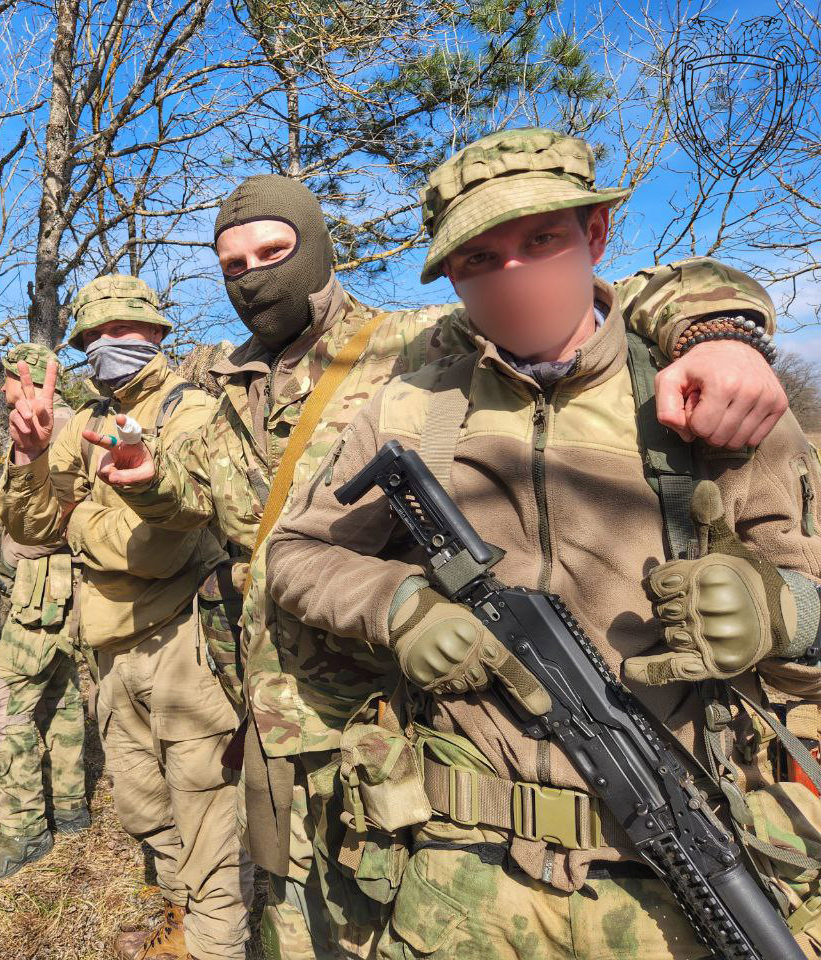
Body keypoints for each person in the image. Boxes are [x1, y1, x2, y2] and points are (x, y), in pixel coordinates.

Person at [90, 168, 790, 957]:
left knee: (362, 902)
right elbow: (222, 514)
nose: (253, 279)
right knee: (283, 897)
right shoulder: (217, 381)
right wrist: (149, 486)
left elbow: (595, 295)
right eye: (232, 268)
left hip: (379, 702)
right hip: (264, 689)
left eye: (273, 251)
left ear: (316, 250)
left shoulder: (413, 343)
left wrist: (720, 332)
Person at [264, 127, 821, 959]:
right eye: (479, 260)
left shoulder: (712, 397)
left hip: (683, 866)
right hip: (462, 877)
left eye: (542, 240)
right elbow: (296, 555)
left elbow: (810, 605)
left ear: (595, 235)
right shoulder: (413, 407)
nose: (514, 276)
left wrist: (780, 612)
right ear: (451, 274)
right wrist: (400, 605)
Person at [0, 275, 252, 960]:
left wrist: (77, 518)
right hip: (108, 647)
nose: (106, 346)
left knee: (206, 818)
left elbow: (158, 550)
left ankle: (214, 943)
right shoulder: (83, 420)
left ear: (159, 335)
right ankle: (180, 916)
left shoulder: (193, 411)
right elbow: (29, 527)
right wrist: (29, 453)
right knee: (144, 808)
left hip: (184, 646)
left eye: (121, 332)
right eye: (92, 338)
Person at [0, 342, 88, 882]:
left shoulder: (52, 425)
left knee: (0, 708)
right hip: (54, 590)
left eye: (10, 376)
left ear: (26, 378)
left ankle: (25, 831)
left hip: (46, 589)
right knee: (60, 697)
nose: (5, 386)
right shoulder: (61, 422)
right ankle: (71, 805)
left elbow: (47, 528)